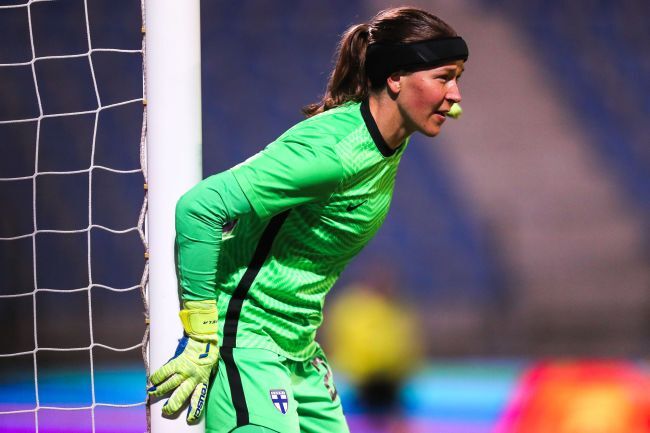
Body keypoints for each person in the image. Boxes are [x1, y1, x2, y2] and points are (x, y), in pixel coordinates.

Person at [148, 6, 468, 433]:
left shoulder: (391, 137)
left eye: (457, 78)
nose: (456, 95)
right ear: (395, 78)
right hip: (246, 338)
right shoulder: (330, 154)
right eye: (443, 77)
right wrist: (202, 336)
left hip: (298, 350)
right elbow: (200, 207)